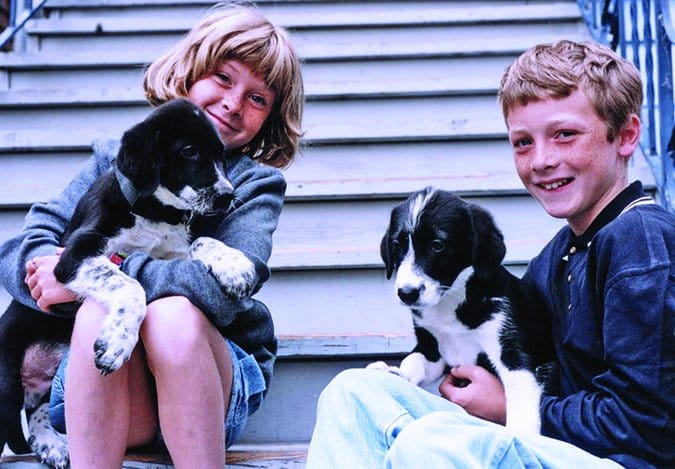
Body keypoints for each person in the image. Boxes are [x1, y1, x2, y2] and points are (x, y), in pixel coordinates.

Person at [306, 39, 674, 469]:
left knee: (430, 443)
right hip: (556, 446)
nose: (541, 160)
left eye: (565, 135)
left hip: (621, 462)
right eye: (522, 143)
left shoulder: (639, 239)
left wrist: (505, 408)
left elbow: (646, 423)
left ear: (626, 135)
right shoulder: (557, 257)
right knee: (353, 393)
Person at [0, 2, 303, 468]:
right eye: (223, 78)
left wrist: (97, 271)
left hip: (208, 385)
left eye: (258, 98)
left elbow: (221, 292)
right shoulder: (118, 158)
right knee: (97, 312)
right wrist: (56, 279)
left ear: (270, 117)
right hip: (106, 384)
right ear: (189, 74)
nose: (234, 102)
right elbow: (27, 245)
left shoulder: (251, 186)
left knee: (172, 316)